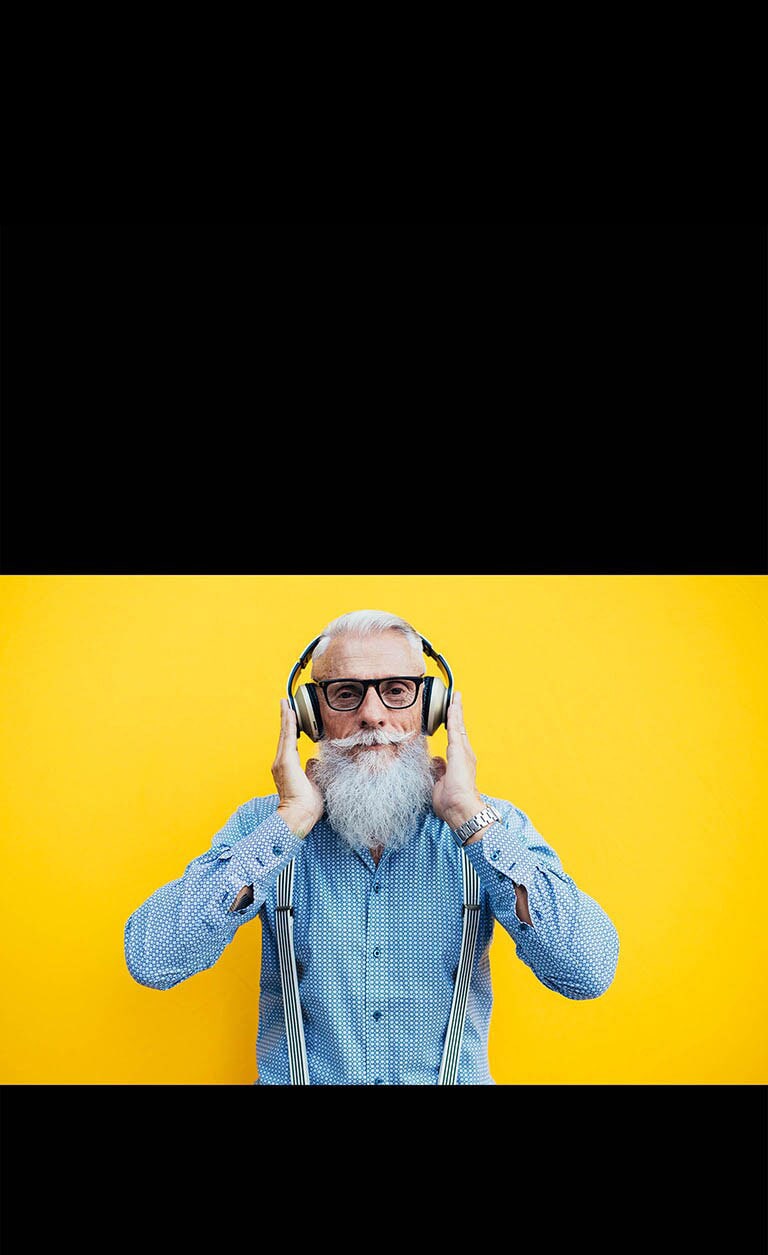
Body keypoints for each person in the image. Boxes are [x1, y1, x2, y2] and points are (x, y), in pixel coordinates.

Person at [125, 609, 619, 1085]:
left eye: (397, 691)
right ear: (311, 717)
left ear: (432, 709)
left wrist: (470, 816)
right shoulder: (265, 826)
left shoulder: (493, 826)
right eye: (345, 694)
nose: (372, 716)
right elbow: (153, 959)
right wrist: (288, 823)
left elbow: (587, 970)